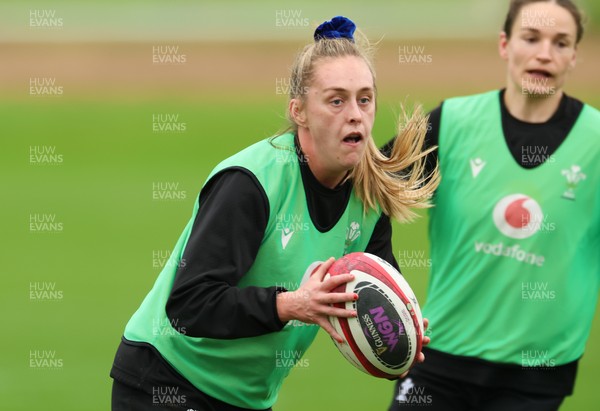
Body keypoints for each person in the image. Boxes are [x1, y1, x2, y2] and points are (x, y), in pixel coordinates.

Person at [110, 16, 438, 411]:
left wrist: (402, 340)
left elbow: (372, 304)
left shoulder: (369, 196)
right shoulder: (251, 183)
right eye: (336, 100)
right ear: (298, 111)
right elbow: (188, 305)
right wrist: (292, 305)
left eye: (364, 99)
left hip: (248, 399)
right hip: (165, 383)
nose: (355, 114)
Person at [385, 1, 600, 410]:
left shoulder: (597, 141)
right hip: (439, 359)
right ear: (505, 44)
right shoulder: (452, 123)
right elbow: (370, 190)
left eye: (560, 43)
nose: (544, 53)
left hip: (536, 378)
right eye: (531, 38)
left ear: (573, 57)